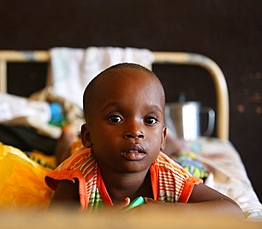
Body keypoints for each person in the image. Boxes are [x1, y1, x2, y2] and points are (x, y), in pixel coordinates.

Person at [45, 63, 243, 218]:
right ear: (88, 136)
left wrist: (166, 213)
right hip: (79, 153)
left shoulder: (169, 177)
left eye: (149, 120)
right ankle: (67, 137)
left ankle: (174, 146)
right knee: (66, 155)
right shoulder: (77, 180)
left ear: (162, 137)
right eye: (116, 119)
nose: (135, 131)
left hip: (163, 155)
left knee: (184, 161)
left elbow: (232, 212)